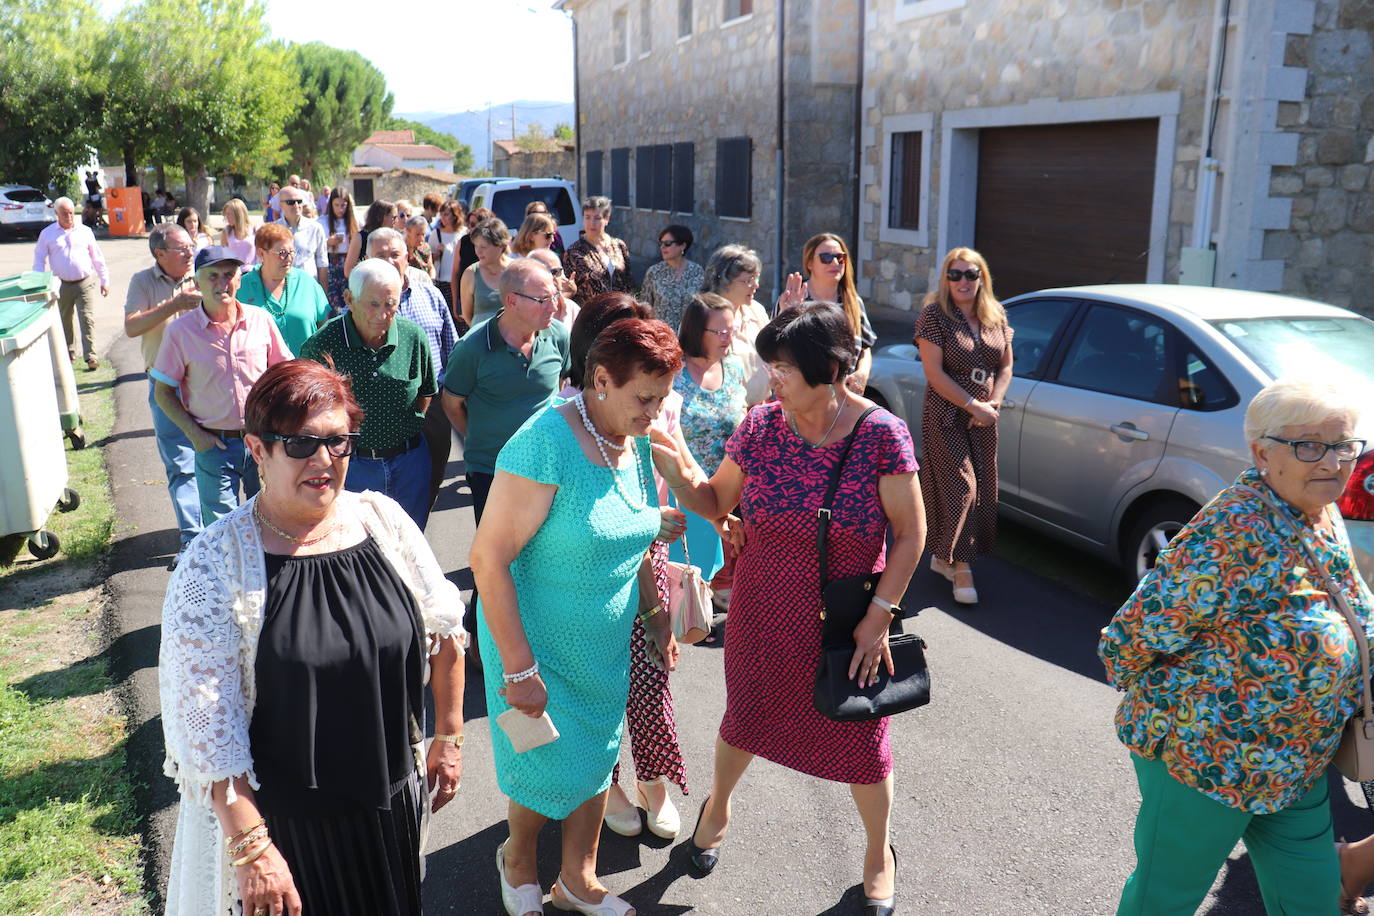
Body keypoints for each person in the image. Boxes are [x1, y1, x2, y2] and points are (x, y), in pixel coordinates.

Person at [158, 358, 467, 916]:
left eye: (339, 442)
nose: (324, 461)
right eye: (301, 445)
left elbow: (445, 627)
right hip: (286, 837)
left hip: (391, 807)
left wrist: (449, 737)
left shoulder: (382, 520)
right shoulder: (213, 566)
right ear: (257, 451)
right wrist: (254, 850)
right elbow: (206, 731)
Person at [652, 301, 923, 916]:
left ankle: (879, 852)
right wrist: (674, 462)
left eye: (784, 368)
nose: (772, 378)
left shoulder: (881, 434)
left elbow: (910, 534)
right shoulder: (760, 428)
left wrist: (880, 615)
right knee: (745, 718)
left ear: (829, 368)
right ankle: (717, 807)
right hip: (762, 610)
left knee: (862, 739)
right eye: (769, 365)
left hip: (848, 622)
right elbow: (717, 498)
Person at [1098, 376, 1372, 915]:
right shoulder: (1233, 530)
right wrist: (1193, 707)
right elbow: (1128, 640)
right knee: (1164, 899)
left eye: (1344, 445)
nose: (1333, 462)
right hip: (1207, 763)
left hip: (1296, 762)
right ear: (1261, 451)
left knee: (1313, 900)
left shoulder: (1320, 514)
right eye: (1310, 446)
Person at [470, 317, 683, 916]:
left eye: (662, 397)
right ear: (600, 380)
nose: (654, 411)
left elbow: (638, 533)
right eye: (645, 397)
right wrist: (518, 667)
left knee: (595, 755)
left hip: (605, 642)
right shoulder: (544, 442)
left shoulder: (634, 438)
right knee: (542, 762)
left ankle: (577, 880)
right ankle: (516, 857)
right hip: (534, 642)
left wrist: (655, 612)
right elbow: (487, 560)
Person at [557, 293, 695, 842]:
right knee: (599, 681)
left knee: (652, 674)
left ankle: (653, 777)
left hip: (651, 550)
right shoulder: (564, 412)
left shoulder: (661, 399)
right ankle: (608, 781)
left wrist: (713, 505)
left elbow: (687, 471)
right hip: (595, 562)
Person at [443, 258, 570, 629]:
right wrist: (478, 442)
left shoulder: (558, 336)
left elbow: (561, 388)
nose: (555, 305)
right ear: (512, 301)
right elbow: (451, 403)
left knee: (540, 556)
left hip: (546, 471)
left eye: (555, 295)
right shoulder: (474, 348)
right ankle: (480, 637)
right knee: (495, 558)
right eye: (543, 299)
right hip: (491, 471)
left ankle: (533, 633)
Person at [152, 247, 293, 524]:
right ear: (197, 283)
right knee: (222, 528)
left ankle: (265, 568)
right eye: (213, 276)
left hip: (262, 442)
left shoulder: (260, 320)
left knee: (270, 521)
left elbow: (284, 374)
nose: (222, 283)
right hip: (214, 444)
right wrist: (196, 436)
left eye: (229, 274)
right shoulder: (180, 332)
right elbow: (163, 392)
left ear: (240, 280)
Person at [299, 259, 437, 529]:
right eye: (373, 304)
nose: (383, 313)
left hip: (409, 464)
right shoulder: (322, 345)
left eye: (390, 304)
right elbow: (306, 411)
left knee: (409, 546)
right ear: (349, 300)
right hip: (351, 466)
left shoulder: (412, 337)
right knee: (356, 548)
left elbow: (425, 393)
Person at [913, 247, 1012, 606]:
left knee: (983, 488)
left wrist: (992, 405)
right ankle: (963, 566)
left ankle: (944, 556)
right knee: (961, 487)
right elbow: (934, 373)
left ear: (981, 278)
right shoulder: (933, 317)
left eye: (970, 274)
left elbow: (1005, 367)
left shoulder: (995, 315)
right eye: (955, 275)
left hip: (984, 414)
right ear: (945, 279)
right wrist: (973, 405)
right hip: (946, 413)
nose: (963, 281)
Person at [123, 224, 205, 567]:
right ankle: (193, 539)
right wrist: (174, 305)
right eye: (182, 249)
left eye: (191, 246)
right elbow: (131, 326)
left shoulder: (202, 275)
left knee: (218, 456)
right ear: (160, 254)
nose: (190, 253)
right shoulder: (143, 282)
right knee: (180, 463)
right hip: (164, 384)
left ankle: (220, 534)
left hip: (205, 382)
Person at [368, 227, 460, 511]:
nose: (388, 261)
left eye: (394, 254)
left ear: (407, 257)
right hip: (383, 409)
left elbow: (452, 350)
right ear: (366, 259)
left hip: (433, 406)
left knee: (430, 484)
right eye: (380, 255)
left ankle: (415, 537)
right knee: (384, 490)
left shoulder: (431, 296)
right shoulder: (358, 304)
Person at [670, 293, 748, 587]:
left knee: (724, 583)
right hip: (685, 492)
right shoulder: (672, 370)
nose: (728, 337)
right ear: (696, 331)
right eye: (720, 331)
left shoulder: (735, 368)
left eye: (732, 329)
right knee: (684, 581)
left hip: (729, 492)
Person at [778, 233, 877, 393]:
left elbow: (865, 347)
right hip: (803, 396)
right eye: (826, 257)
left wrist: (862, 374)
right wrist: (788, 313)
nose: (835, 262)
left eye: (840, 257)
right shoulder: (794, 299)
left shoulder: (852, 302)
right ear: (809, 263)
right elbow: (775, 350)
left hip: (843, 398)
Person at [32, 196, 109, 371]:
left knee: (87, 318)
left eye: (71, 213)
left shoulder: (84, 231)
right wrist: (38, 284)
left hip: (85, 282)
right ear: (56, 213)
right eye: (65, 214)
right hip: (61, 284)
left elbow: (97, 257)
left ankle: (91, 355)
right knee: (64, 319)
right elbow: (39, 259)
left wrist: (105, 280)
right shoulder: (48, 234)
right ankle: (69, 352)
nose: (69, 217)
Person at [236, 223, 331, 353]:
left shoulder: (307, 283)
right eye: (282, 253)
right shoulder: (241, 288)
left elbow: (325, 330)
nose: (289, 258)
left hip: (306, 370)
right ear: (261, 253)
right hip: (263, 371)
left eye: (291, 252)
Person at [700, 244, 771, 406]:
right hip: (725, 412)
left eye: (757, 278)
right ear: (724, 281)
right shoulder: (703, 316)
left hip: (761, 408)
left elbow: (773, 355)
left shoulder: (756, 310)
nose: (756, 285)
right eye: (748, 280)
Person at [564, 196, 632, 305]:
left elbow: (628, 282)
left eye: (597, 218)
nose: (592, 223)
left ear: (607, 219)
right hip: (591, 313)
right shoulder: (574, 251)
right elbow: (568, 289)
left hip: (620, 311)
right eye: (587, 217)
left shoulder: (619, 246)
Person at [640, 224, 704, 333]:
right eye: (661, 243)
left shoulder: (697, 271)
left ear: (683, 245)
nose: (662, 247)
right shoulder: (654, 272)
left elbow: (703, 307)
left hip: (689, 336)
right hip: (661, 336)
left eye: (668, 244)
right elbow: (644, 307)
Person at [274, 186, 329, 290]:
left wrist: (323, 295)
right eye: (290, 202)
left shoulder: (315, 228)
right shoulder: (273, 230)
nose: (296, 205)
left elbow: (322, 263)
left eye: (299, 201)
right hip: (282, 289)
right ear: (281, 205)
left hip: (309, 288)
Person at [459, 218, 512, 326]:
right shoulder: (470, 273)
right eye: (476, 246)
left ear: (500, 245)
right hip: (482, 339)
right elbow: (467, 315)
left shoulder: (517, 270)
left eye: (483, 247)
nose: (478, 251)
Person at [319, 187, 358, 316]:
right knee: (333, 303)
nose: (340, 209)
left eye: (343, 205)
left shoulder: (354, 221)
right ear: (331, 204)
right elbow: (316, 245)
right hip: (331, 262)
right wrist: (327, 243)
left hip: (349, 262)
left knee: (350, 299)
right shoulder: (323, 221)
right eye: (336, 205)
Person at [344, 199, 398, 279]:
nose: (396, 221)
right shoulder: (360, 238)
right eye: (393, 217)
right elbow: (348, 271)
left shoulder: (394, 237)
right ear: (381, 217)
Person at [527, 248, 579, 326]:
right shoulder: (523, 310)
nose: (552, 277)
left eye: (556, 272)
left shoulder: (573, 309)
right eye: (545, 273)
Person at [428, 200, 464, 311]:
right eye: (441, 214)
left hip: (460, 281)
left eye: (446, 214)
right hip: (442, 281)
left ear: (455, 215)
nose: (442, 218)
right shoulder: (436, 234)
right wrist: (437, 254)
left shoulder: (463, 233)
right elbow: (429, 258)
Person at [452, 205, 490, 299]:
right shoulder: (463, 242)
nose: (469, 227)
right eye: (468, 223)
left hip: (486, 296)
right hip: (465, 296)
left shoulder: (492, 244)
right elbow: (455, 274)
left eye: (472, 224)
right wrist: (455, 302)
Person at [220, 198, 257, 267]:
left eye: (229, 214)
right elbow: (223, 256)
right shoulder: (227, 232)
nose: (227, 217)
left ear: (238, 214)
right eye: (226, 214)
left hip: (251, 272)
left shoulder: (254, 230)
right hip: (233, 273)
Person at [404, 215, 436, 280]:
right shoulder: (402, 248)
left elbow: (430, 267)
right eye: (417, 234)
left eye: (423, 234)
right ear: (408, 231)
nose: (421, 239)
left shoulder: (425, 247)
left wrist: (431, 280)